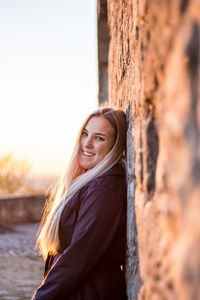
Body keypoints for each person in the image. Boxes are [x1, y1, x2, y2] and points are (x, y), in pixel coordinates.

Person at [32, 107, 127, 300]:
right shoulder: (91, 181)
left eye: (99, 138)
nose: (87, 143)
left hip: (89, 292)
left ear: (115, 146)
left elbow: (78, 257)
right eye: (85, 134)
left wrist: (41, 297)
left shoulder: (103, 189)